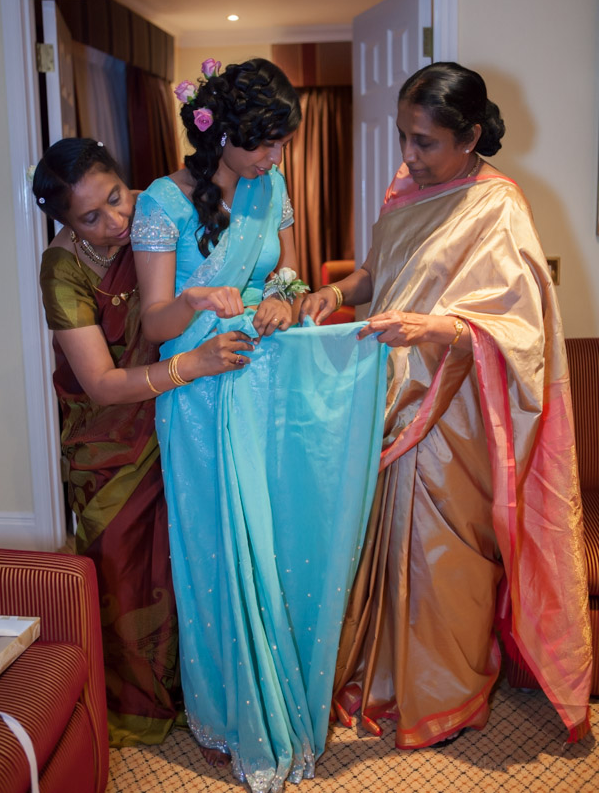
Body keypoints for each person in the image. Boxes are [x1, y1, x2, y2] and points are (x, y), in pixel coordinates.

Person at [300, 62, 592, 749]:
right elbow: (383, 269)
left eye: (424, 142)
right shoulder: (408, 192)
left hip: (457, 407)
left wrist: (438, 328)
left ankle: (448, 696)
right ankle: (386, 683)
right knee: (382, 546)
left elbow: (521, 324)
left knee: (443, 559)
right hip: (392, 395)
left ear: (470, 137)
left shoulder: (499, 206)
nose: (408, 156)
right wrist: (337, 293)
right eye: (403, 137)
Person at [131, 58, 388, 790]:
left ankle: (286, 693)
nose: (274, 161)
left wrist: (285, 295)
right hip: (202, 389)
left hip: (269, 383)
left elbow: (284, 273)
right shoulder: (162, 201)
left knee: (277, 543)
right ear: (221, 137)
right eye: (263, 146)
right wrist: (198, 303)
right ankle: (228, 716)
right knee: (217, 556)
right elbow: (153, 324)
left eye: (281, 146)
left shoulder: (269, 185)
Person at [33, 137, 254, 746]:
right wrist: (196, 366)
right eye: (91, 218)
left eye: (115, 198)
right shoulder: (64, 269)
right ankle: (135, 713)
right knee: (126, 576)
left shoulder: (155, 215)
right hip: (107, 442)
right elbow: (101, 384)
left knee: (185, 562)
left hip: (177, 422)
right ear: (64, 223)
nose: (116, 222)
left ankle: (199, 698)